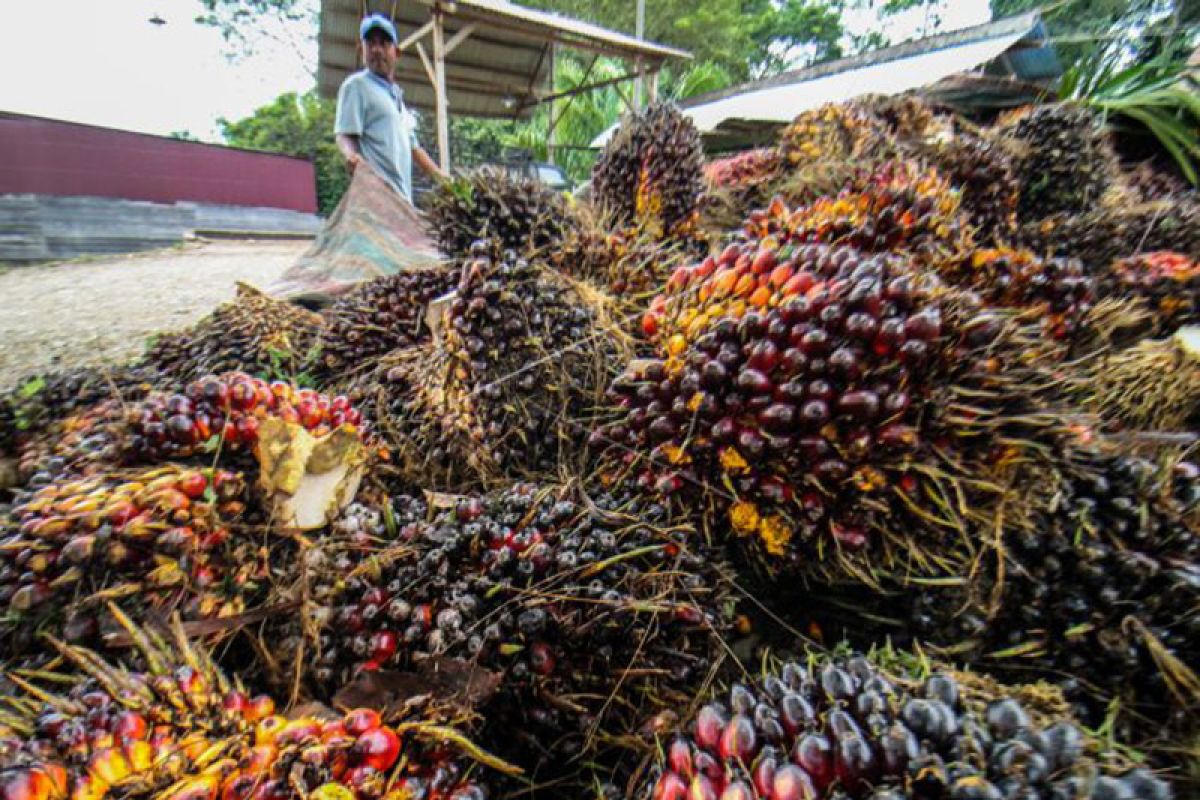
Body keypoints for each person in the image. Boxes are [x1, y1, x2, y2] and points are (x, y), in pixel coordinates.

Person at [335, 13, 447, 201]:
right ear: (361, 50)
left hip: (401, 202)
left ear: (397, 52)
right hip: (375, 199)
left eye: (384, 43)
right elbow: (344, 133)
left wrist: (444, 180)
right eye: (370, 43)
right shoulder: (356, 86)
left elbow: (414, 148)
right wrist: (350, 155)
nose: (377, 50)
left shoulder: (397, 100)